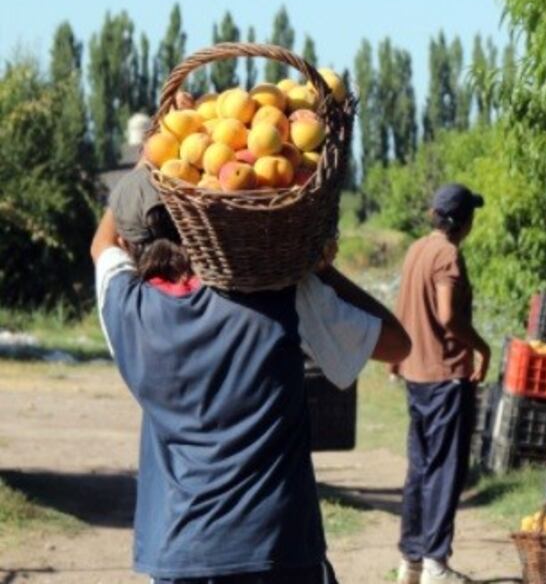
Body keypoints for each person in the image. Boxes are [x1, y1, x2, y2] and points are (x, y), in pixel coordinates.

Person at [91, 167, 411, 584]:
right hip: (276, 549)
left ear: (130, 243)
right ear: (207, 214)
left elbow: (101, 244)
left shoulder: (125, 310)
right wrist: (311, 268)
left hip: (179, 554)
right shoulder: (279, 291)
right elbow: (397, 344)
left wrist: (144, 166)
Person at [392, 183, 491, 584]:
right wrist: (483, 348)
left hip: (416, 371)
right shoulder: (447, 254)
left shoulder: (417, 249)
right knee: (446, 470)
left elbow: (405, 306)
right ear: (463, 221)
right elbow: (448, 315)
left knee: (420, 466)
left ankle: (411, 562)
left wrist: (397, 358)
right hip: (446, 376)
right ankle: (435, 562)